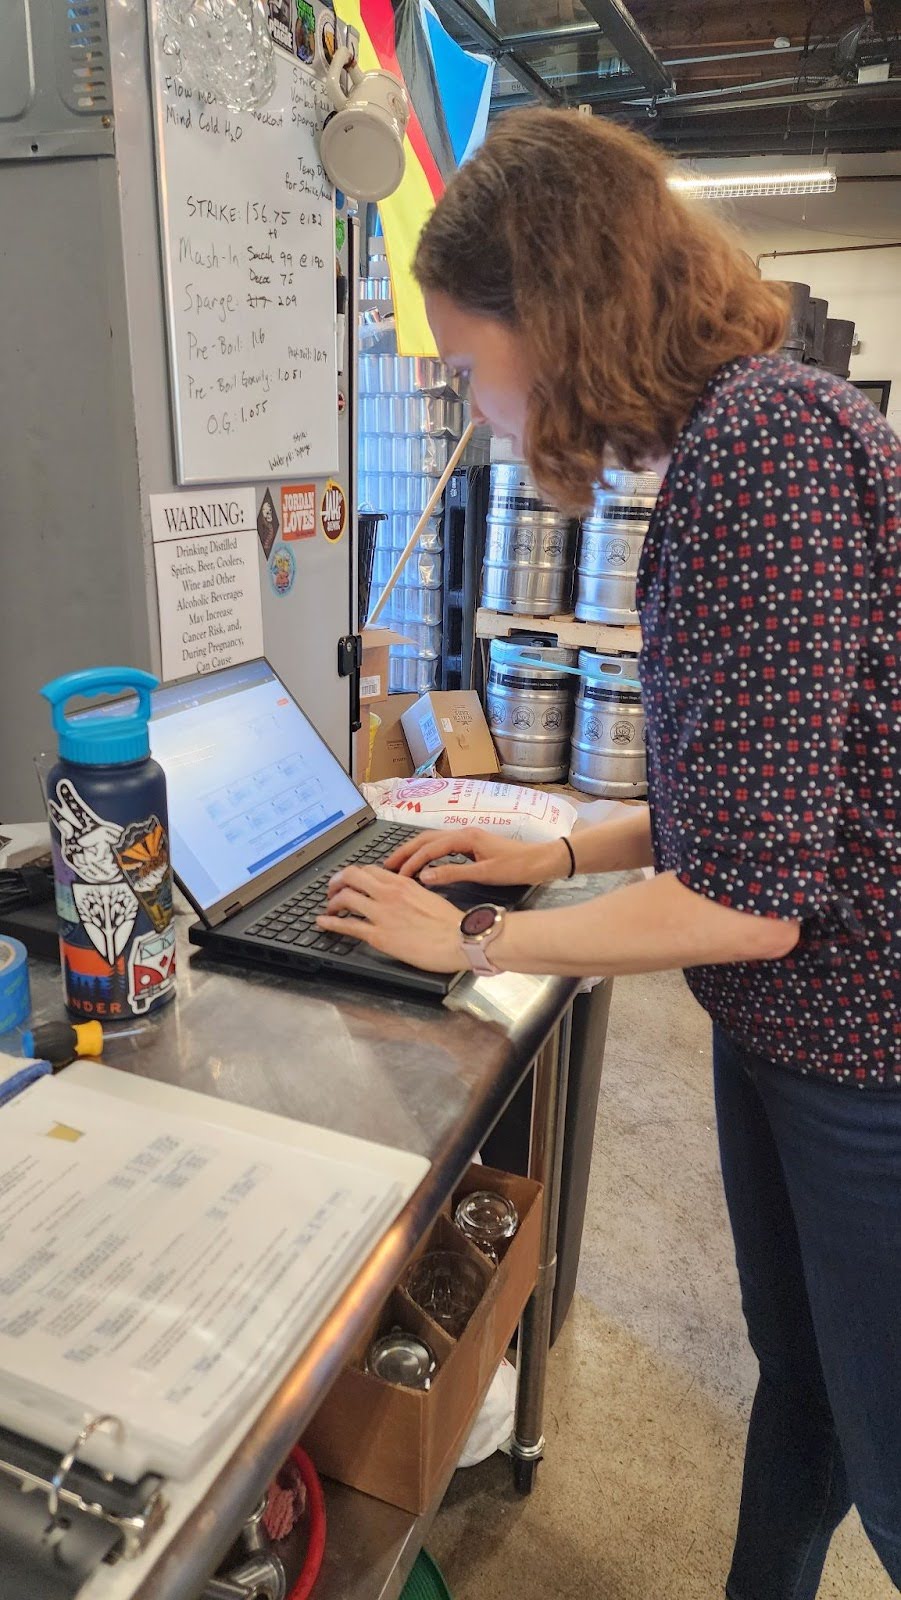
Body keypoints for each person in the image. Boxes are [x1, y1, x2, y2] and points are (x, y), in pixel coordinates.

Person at [318, 110, 901, 1595]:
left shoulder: (757, 455)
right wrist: (555, 851)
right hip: (799, 1028)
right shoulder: (746, 438)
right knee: (807, 1384)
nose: (471, 397)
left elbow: (752, 900)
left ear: (556, 318)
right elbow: (763, 787)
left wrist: (476, 945)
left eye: (466, 358)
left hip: (862, 1044)